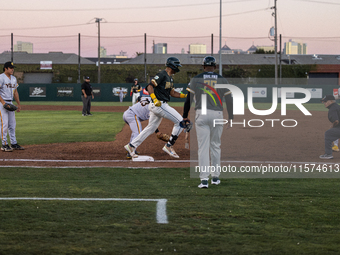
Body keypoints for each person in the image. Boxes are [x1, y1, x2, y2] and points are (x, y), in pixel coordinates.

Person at [182, 56, 233, 188]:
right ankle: (215, 177)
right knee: (215, 146)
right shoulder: (222, 79)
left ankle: (204, 180)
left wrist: (185, 116)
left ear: (204, 66)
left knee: (203, 148)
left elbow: (188, 99)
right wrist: (231, 116)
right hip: (217, 114)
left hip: (202, 114)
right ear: (215, 67)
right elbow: (229, 99)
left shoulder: (196, 78)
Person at [124, 57, 187, 158]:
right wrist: (154, 98)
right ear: (172, 65)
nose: (178, 68)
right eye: (177, 66)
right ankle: (169, 146)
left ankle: (131, 146)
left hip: (158, 105)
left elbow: (172, 93)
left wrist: (185, 96)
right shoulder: (162, 74)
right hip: (159, 104)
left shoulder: (170, 78)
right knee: (180, 122)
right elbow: (149, 86)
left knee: (151, 128)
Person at [0, 61, 24, 152]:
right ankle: (4, 144)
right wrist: (3, 103)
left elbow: (15, 92)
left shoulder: (13, 78)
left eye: (13, 68)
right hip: (2, 103)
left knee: (12, 125)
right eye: (10, 68)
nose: (12, 69)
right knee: (4, 124)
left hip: (10, 102)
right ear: (5, 68)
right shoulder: (1, 77)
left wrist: (18, 104)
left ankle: (13, 143)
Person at [319, 95, 340, 159]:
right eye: (324, 102)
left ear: (331, 101)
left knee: (328, 133)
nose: (324, 103)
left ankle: (328, 154)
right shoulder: (337, 106)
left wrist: (332, 126)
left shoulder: (332, 109)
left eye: (325, 101)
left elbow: (336, 121)